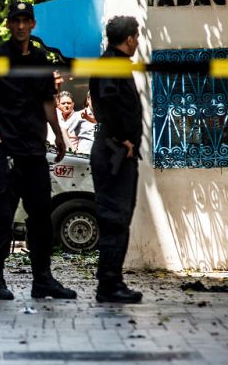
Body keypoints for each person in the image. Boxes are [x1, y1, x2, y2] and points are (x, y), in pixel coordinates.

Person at [0, 0, 76, 300]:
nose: (21, 26)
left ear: (33, 24)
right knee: (1, 218)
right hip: (3, 151)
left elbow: (48, 100)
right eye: (16, 21)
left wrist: (59, 134)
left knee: (40, 218)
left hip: (34, 150)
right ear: (8, 25)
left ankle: (43, 279)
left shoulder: (40, 60)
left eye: (26, 20)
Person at [89, 16, 143, 304]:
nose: (138, 41)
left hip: (118, 152)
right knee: (115, 218)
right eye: (137, 36)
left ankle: (112, 281)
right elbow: (108, 102)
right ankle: (109, 285)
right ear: (130, 38)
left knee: (119, 218)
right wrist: (122, 138)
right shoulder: (111, 64)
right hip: (114, 153)